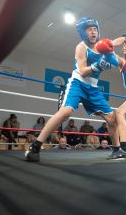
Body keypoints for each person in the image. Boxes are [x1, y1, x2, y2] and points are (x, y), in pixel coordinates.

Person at [25, 17, 119, 162]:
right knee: (66, 112)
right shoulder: (81, 47)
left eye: (95, 29)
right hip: (78, 83)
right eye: (89, 30)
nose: (93, 32)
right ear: (83, 32)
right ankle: (36, 146)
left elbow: (115, 43)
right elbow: (82, 71)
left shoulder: (102, 46)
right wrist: (98, 66)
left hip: (93, 88)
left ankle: (118, 150)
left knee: (112, 119)